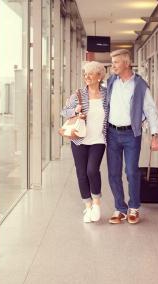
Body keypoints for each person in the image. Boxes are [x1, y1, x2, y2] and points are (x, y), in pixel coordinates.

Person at [106, 49, 158, 225]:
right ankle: (120, 208)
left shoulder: (140, 85)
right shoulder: (111, 82)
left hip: (131, 134)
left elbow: (151, 110)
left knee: (131, 171)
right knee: (113, 173)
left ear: (127, 63)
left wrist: (155, 135)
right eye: (112, 62)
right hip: (112, 133)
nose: (112, 65)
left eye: (116, 62)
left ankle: (134, 207)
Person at [60, 61, 108, 223]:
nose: (87, 76)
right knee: (81, 173)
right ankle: (87, 206)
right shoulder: (78, 94)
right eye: (85, 74)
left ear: (99, 76)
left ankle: (96, 203)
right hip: (79, 140)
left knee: (92, 170)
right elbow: (63, 112)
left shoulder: (107, 94)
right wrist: (75, 110)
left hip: (98, 139)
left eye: (90, 73)